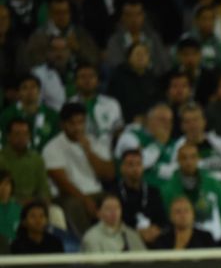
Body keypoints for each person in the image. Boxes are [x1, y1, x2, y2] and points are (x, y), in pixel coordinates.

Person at [42, 102, 114, 235]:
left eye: (81, 122)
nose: (77, 128)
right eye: (72, 123)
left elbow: (109, 174)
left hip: (96, 192)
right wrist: (85, 200)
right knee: (74, 205)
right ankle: (86, 244)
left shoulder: (94, 142)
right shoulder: (52, 148)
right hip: (67, 195)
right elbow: (63, 184)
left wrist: (89, 152)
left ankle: (112, 241)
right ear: (63, 125)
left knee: (112, 201)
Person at [80, 194, 147, 253]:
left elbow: (145, 261)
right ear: (98, 213)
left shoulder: (131, 234)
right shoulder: (91, 237)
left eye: (117, 208)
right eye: (108, 208)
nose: (113, 212)